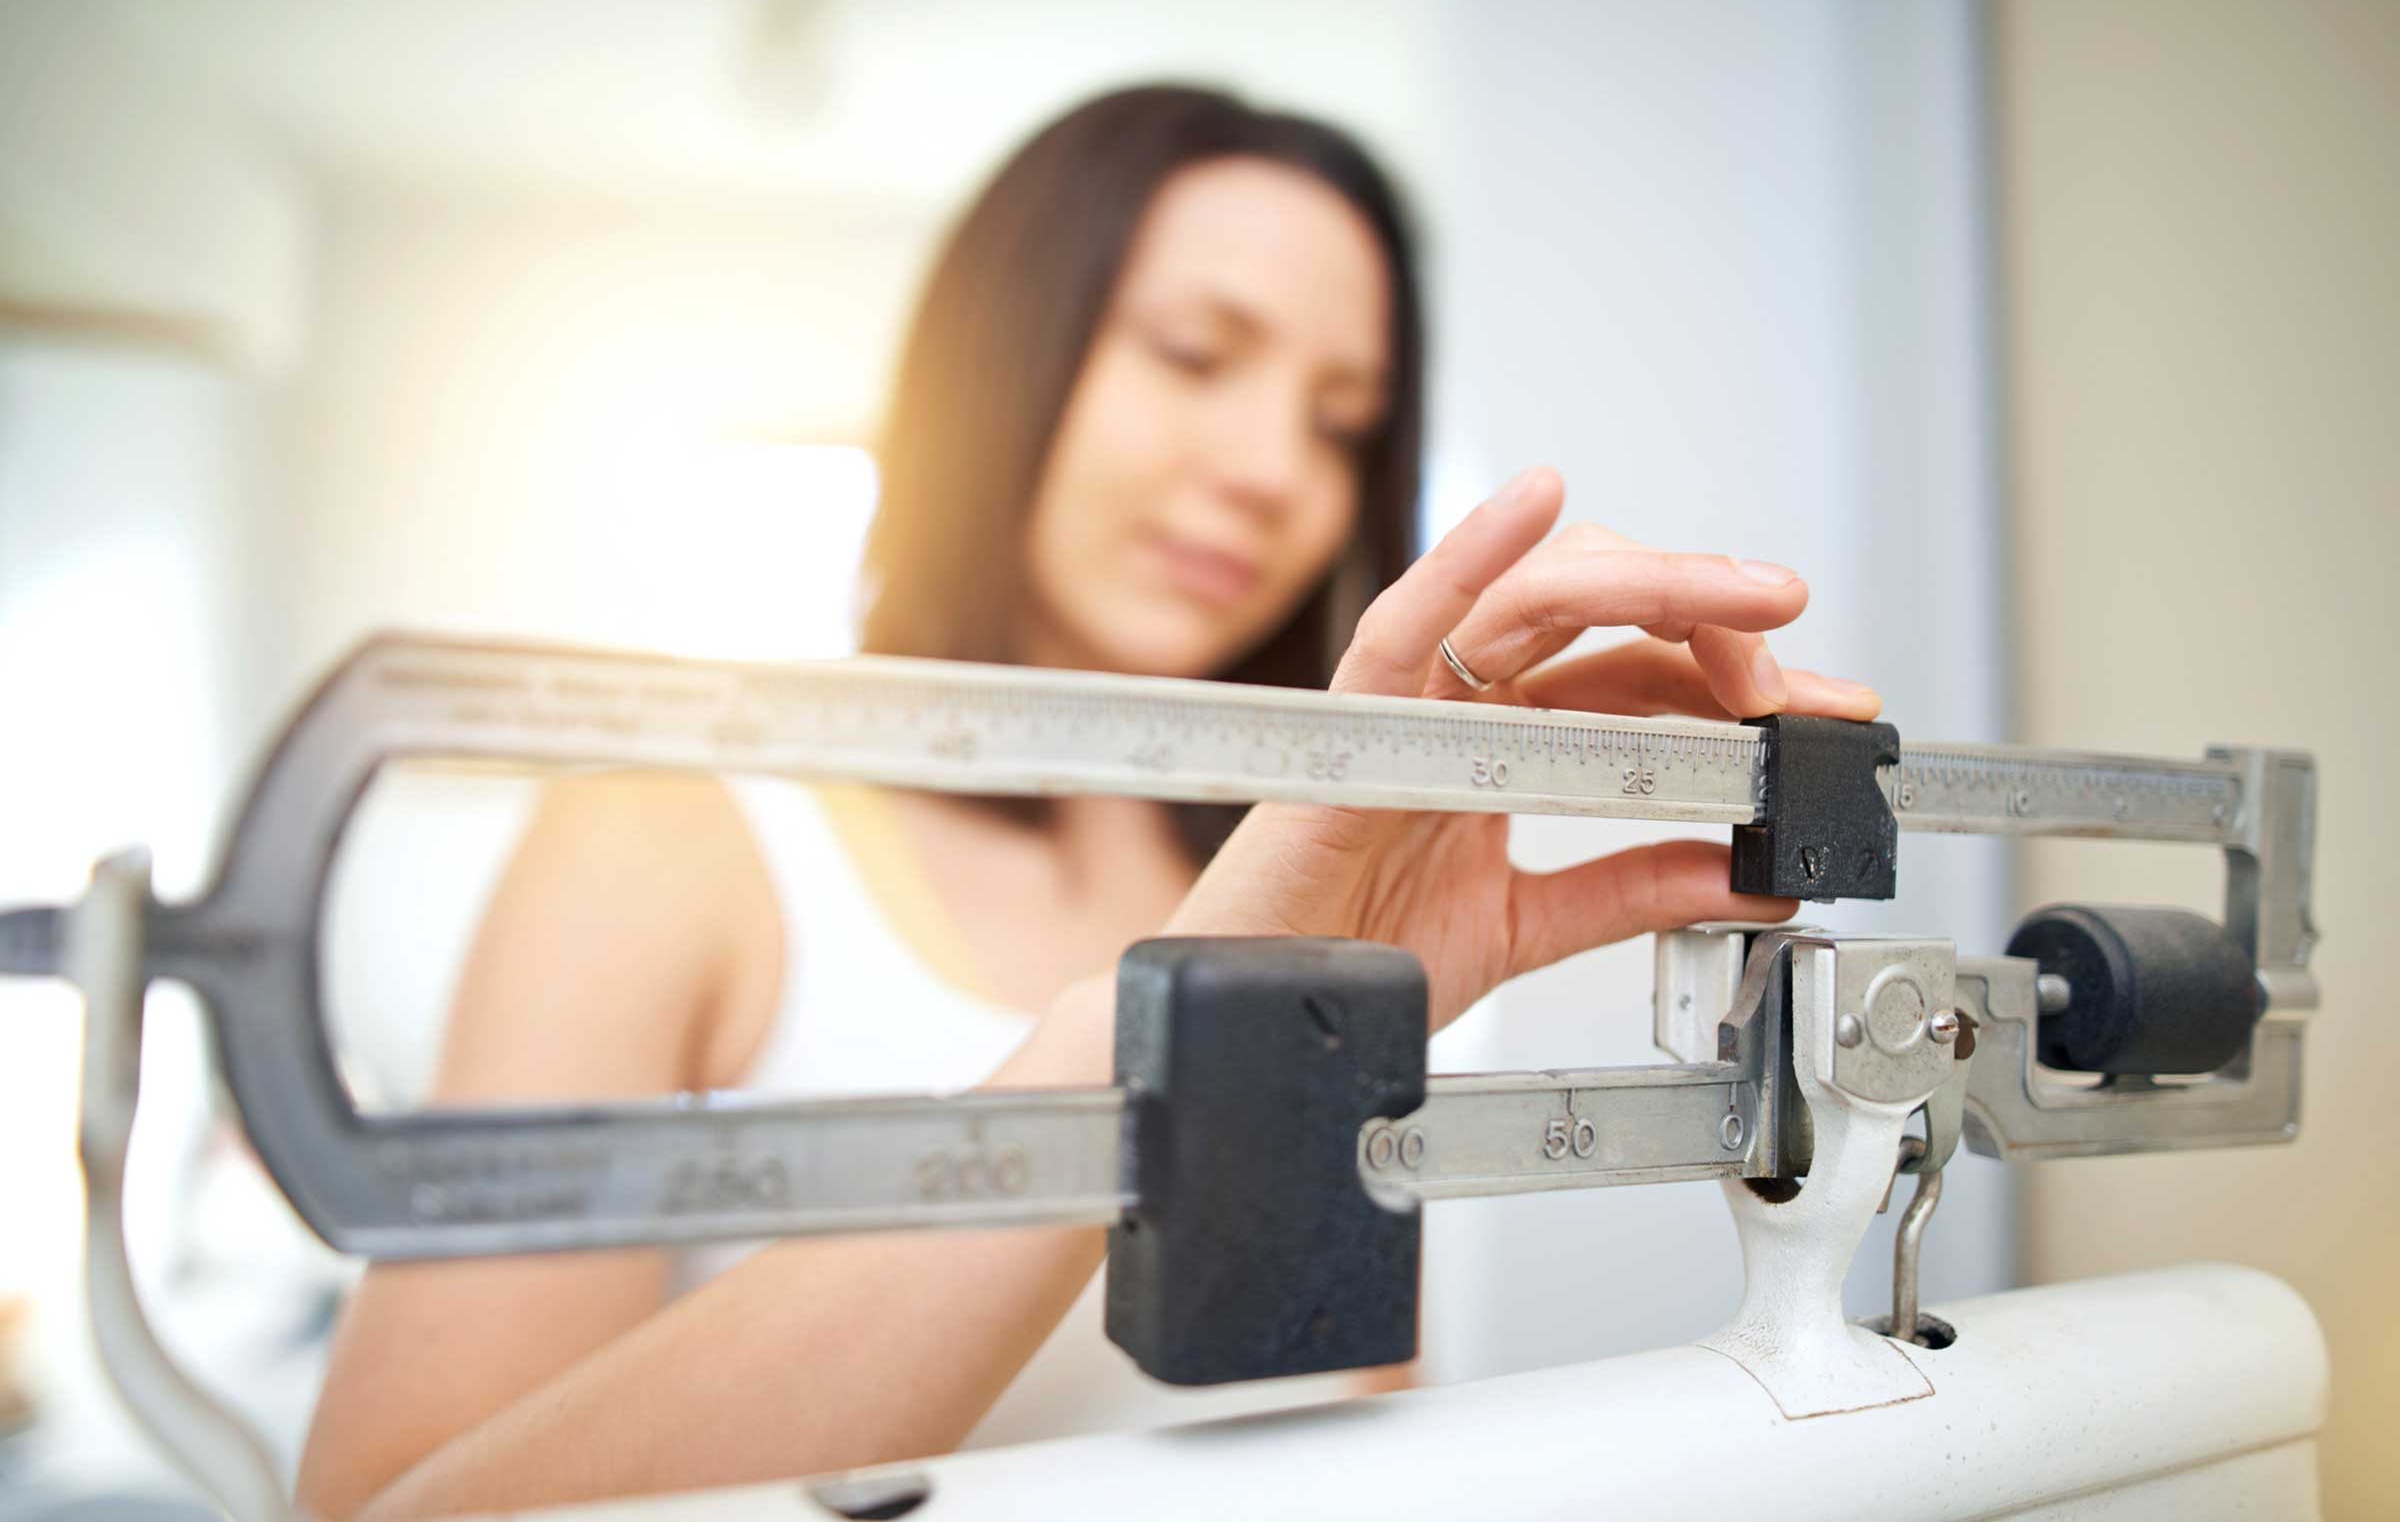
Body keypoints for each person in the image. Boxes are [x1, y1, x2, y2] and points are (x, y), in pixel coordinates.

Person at [296, 83, 1880, 1520]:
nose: (1274, 469)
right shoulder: (663, 846)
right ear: (1007, 353)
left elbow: (1339, 1454)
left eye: (1338, 423)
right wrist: (1122, 1072)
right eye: (1195, 356)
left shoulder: (1334, 913)